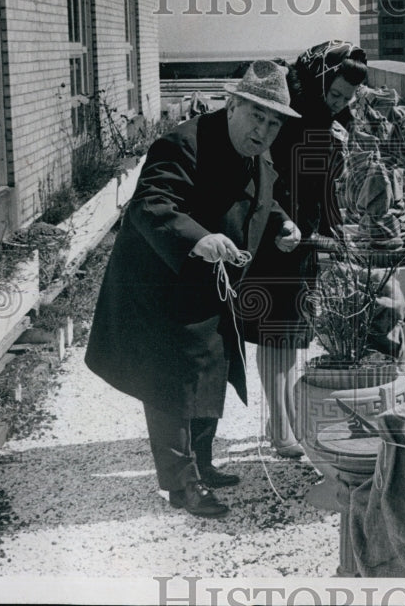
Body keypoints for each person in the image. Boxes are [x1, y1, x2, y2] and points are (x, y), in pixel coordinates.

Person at [84, 60, 302, 518]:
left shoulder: (256, 152)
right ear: (232, 105)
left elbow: (264, 196)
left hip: (211, 285)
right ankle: (182, 486)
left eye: (273, 123)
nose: (263, 131)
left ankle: (201, 464)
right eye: (257, 116)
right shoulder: (183, 143)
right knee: (172, 385)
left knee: (209, 372)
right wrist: (198, 238)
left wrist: (282, 224)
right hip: (163, 283)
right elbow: (150, 203)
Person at [238, 40, 367, 457]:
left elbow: (324, 186)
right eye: (335, 94)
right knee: (275, 337)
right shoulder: (286, 113)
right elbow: (259, 174)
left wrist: (336, 231)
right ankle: (280, 429)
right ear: (319, 80)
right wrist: (280, 222)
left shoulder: (330, 120)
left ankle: (285, 420)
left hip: (305, 238)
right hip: (276, 234)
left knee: (293, 337)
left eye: (347, 98)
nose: (339, 103)